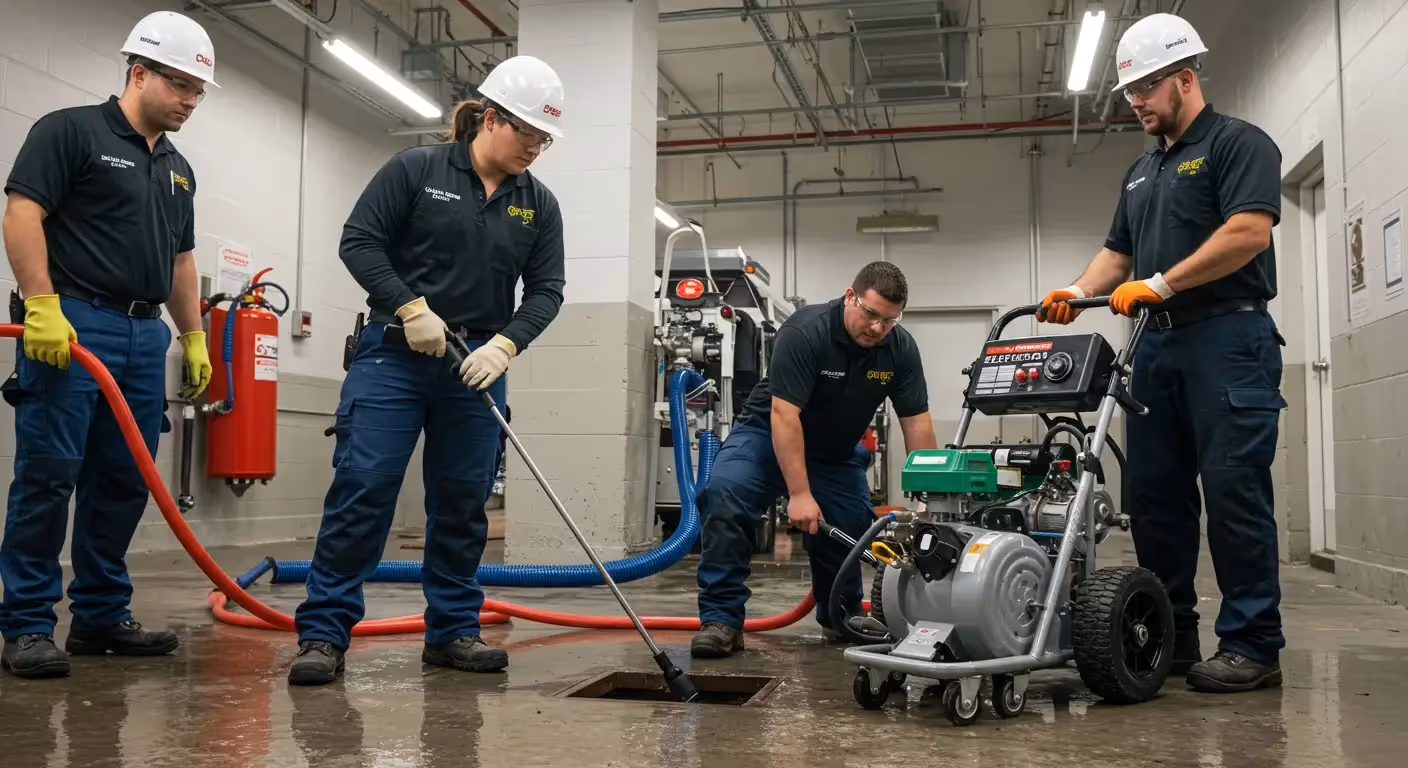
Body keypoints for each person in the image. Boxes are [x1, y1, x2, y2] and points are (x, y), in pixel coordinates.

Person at [288, 55, 567, 685]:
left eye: (544, 139)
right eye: (527, 134)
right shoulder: (416, 169)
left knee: (464, 502)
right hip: (394, 354)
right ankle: (324, 634)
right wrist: (408, 305)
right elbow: (358, 240)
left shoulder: (538, 204)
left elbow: (547, 290)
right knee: (365, 487)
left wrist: (506, 346)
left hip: (475, 367)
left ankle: (452, 631)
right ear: (490, 118)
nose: (535, 149)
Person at [1037, 13, 1286, 693]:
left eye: (1147, 88)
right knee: (1154, 498)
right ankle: (1172, 637)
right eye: (1129, 93)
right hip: (1155, 346)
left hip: (1228, 340)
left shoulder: (1239, 144)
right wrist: (1079, 288)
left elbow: (1248, 233)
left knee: (1233, 494)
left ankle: (1253, 644)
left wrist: (1163, 282)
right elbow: (1118, 254)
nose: (1137, 102)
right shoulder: (1142, 171)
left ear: (1185, 77)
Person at [0, 11, 216, 678]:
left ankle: (98, 617)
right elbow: (22, 212)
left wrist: (195, 338)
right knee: (49, 473)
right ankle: (29, 624)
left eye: (198, 92)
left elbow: (182, 262)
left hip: (142, 334)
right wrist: (40, 304)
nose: (189, 100)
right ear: (138, 71)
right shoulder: (69, 132)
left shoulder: (178, 170)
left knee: (123, 480)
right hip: (72, 324)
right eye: (179, 85)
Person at [691, 261, 938, 658]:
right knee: (724, 494)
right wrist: (800, 493)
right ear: (849, 297)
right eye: (870, 314)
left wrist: (932, 497)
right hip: (765, 436)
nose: (877, 328)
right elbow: (784, 416)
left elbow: (916, 422)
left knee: (850, 521)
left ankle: (840, 617)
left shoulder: (900, 348)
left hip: (834, 451)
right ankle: (722, 621)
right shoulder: (806, 331)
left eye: (889, 321)